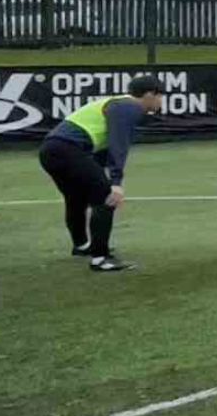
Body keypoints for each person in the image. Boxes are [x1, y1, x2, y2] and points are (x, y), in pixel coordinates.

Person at [37, 75, 164, 271]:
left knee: (76, 198)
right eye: (160, 96)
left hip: (50, 150)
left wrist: (101, 175)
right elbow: (118, 145)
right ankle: (100, 259)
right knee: (106, 198)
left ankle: (82, 246)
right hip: (67, 149)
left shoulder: (117, 103)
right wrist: (115, 182)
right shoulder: (129, 107)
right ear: (149, 94)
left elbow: (102, 148)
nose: (161, 101)